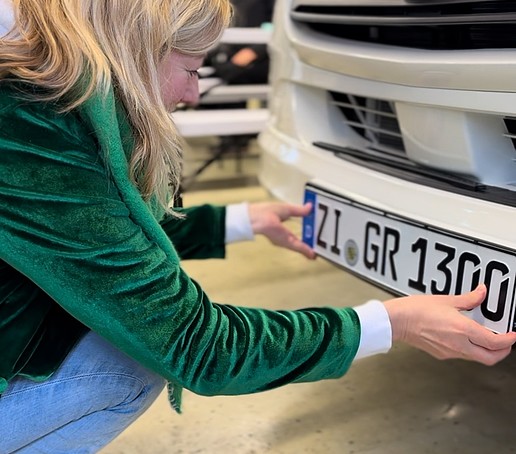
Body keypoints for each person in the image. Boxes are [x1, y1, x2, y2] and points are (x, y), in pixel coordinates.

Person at [0, 1, 515, 452]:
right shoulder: (29, 124)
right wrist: (389, 322)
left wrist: (242, 221)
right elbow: (197, 346)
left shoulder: (39, 99)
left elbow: (92, 242)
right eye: (192, 67)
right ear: (137, 48)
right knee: (126, 367)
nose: (194, 92)